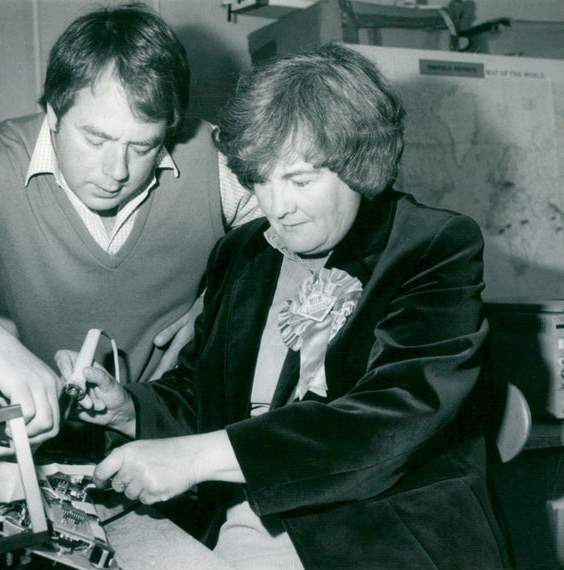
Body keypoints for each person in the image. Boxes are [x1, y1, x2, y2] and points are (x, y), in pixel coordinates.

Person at [58, 43, 509, 568]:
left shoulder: (433, 246)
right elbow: (202, 392)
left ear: (360, 160)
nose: (277, 208)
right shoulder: (242, 251)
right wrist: (131, 408)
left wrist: (198, 456)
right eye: (260, 181)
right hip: (243, 523)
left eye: (299, 179)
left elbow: (392, 417)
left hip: (379, 536)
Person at [0, 3, 259, 446]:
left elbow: (288, 238)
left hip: (175, 433)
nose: (117, 170)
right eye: (96, 138)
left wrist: (218, 301)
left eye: (144, 146)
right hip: (48, 442)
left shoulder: (211, 157)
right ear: (53, 113)